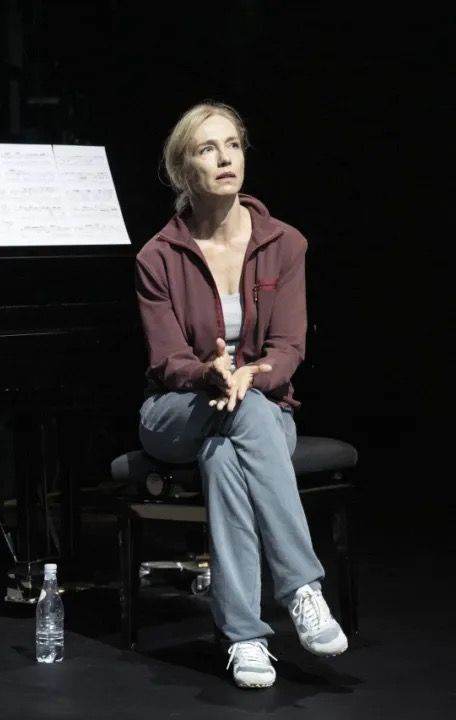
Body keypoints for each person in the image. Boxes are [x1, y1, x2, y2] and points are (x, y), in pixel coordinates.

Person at [134, 102, 348, 689]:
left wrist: (251, 374)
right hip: (176, 409)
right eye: (208, 149)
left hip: (262, 405)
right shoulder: (157, 257)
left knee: (225, 455)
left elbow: (290, 347)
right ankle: (302, 586)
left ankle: (245, 637)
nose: (225, 158)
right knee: (234, 418)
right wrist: (210, 372)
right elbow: (166, 360)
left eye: (233, 144)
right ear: (184, 169)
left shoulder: (285, 243)